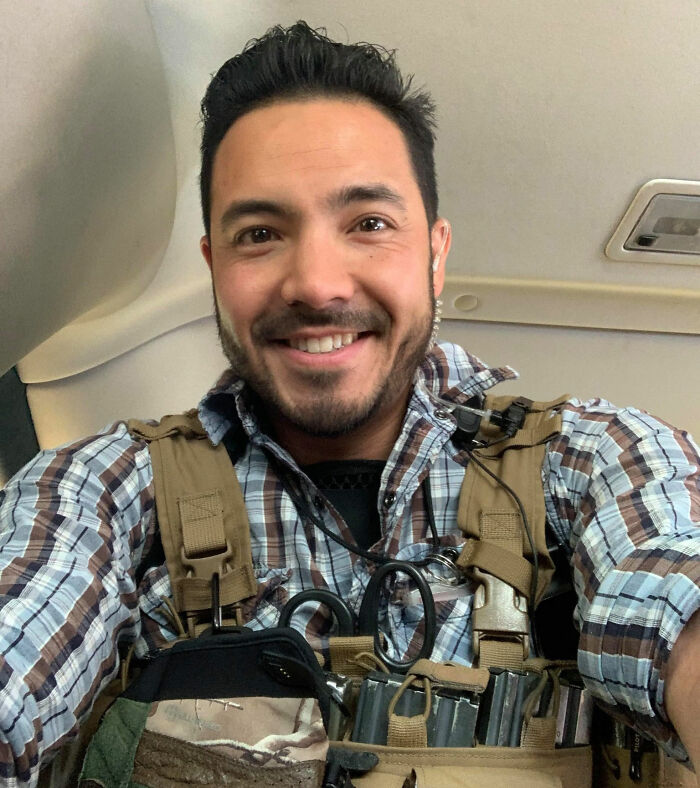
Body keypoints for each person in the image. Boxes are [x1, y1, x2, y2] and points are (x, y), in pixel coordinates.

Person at [0, 20, 698, 786]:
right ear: (214, 266)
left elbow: (670, 574)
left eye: (368, 224)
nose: (317, 283)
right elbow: (21, 637)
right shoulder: (101, 485)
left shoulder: (597, 452)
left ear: (435, 257)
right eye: (261, 232)